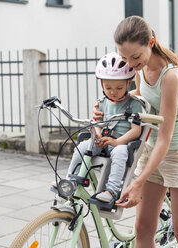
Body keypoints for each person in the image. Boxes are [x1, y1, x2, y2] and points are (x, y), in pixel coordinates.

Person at [93, 16, 178, 248]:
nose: (130, 64)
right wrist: (106, 108)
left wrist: (138, 182)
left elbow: (165, 135)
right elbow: (140, 101)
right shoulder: (140, 69)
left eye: (135, 57)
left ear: (151, 43)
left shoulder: (171, 76)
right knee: (142, 230)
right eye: (123, 57)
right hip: (151, 149)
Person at [54, 52, 142, 203]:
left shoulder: (134, 103)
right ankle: (71, 180)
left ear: (128, 84)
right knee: (82, 146)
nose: (113, 92)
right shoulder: (102, 102)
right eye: (108, 88)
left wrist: (117, 142)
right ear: (102, 85)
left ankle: (111, 190)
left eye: (119, 87)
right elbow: (98, 124)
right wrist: (99, 135)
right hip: (104, 142)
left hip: (120, 143)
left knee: (120, 152)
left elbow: (136, 130)